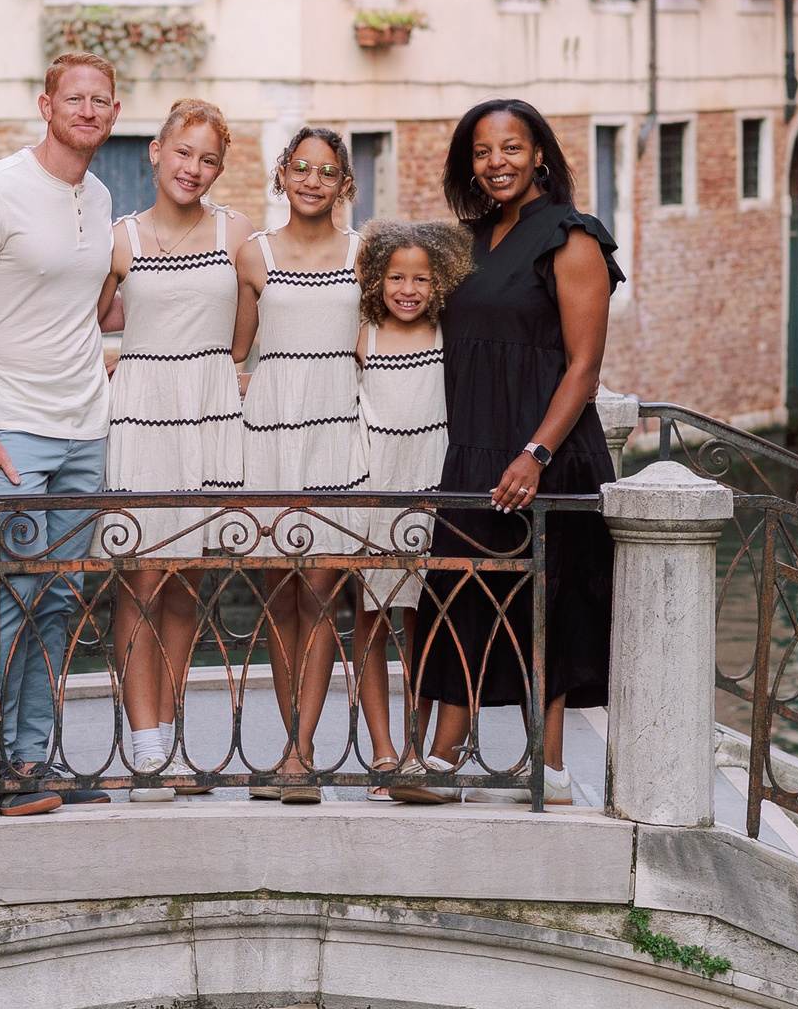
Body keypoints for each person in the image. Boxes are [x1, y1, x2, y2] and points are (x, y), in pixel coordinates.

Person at [394, 100, 620, 809]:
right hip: (470, 451)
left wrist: (534, 452)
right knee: (461, 600)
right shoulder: (467, 241)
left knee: (541, 604)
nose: (497, 161)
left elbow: (583, 366)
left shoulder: (571, 237)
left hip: (543, 456)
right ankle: (443, 756)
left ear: (540, 155)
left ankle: (546, 766)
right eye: (484, 151)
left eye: (511, 147)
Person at [0, 53, 125, 817]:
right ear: (47, 105)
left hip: (86, 425)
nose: (87, 109)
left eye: (100, 100)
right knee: (13, 594)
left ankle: (33, 758)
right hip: (13, 426)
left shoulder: (102, 194)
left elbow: (90, 311)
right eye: (74, 98)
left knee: (62, 598)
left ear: (114, 112)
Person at [99, 99, 257, 801]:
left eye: (209, 158)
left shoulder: (236, 232)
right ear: (156, 151)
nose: (194, 168)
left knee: (188, 577)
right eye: (183, 152)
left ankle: (170, 733)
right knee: (141, 576)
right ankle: (145, 745)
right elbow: (87, 319)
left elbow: (248, 324)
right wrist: (117, 363)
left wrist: (227, 376)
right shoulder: (119, 239)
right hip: (141, 413)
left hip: (209, 408)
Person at [234, 128, 363, 805]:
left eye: (327, 171)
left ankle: (300, 751)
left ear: (343, 183)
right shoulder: (251, 254)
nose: (312, 179)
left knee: (318, 594)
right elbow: (231, 348)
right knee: (278, 596)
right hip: (271, 434)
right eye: (301, 166)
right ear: (283, 173)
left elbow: (379, 347)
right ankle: (292, 741)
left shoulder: (363, 252)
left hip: (338, 432)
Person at [349, 218, 468, 792]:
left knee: (426, 622)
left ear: (439, 283)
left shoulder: (448, 333)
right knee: (371, 617)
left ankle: (421, 748)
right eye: (396, 277)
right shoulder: (363, 334)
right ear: (378, 279)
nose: (408, 290)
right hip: (377, 487)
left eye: (421, 279)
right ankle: (382, 749)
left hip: (432, 486)